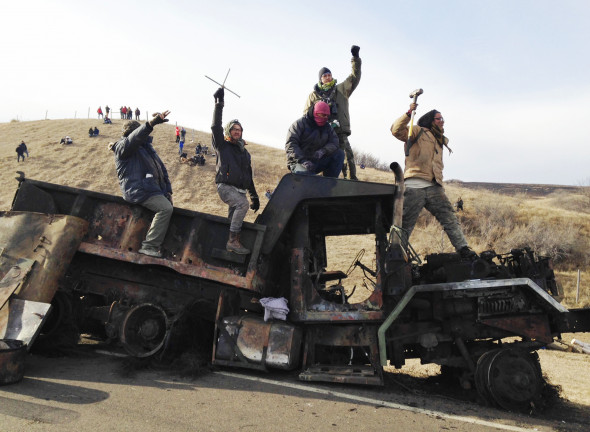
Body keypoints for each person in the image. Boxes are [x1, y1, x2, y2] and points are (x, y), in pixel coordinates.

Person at [390, 102, 475, 259]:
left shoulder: (439, 140)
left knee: (450, 218)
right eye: (438, 118)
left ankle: (463, 249)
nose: (442, 121)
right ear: (430, 120)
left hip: (434, 186)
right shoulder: (417, 131)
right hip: (414, 185)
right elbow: (396, 130)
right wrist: (409, 113)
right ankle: (396, 257)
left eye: (442, 118)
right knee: (405, 225)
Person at [108, 111, 173, 258]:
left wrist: (168, 192)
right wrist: (150, 124)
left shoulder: (147, 149)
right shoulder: (122, 147)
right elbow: (134, 139)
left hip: (149, 189)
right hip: (139, 190)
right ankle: (150, 246)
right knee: (165, 209)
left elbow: (162, 170)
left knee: (167, 206)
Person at [211, 87, 259, 255]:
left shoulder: (245, 153)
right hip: (225, 187)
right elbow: (215, 126)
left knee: (234, 214)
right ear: (228, 132)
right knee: (241, 204)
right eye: (234, 129)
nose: (237, 132)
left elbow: (248, 176)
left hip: (240, 189)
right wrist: (219, 105)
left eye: (239, 130)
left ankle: (227, 249)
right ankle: (233, 241)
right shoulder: (222, 145)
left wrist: (254, 196)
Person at [303, 45, 362, 180]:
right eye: (325, 76)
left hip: (340, 131)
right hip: (322, 134)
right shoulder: (313, 95)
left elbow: (355, 77)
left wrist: (355, 58)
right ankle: (327, 183)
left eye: (329, 75)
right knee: (325, 157)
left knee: (347, 156)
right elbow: (306, 115)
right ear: (320, 79)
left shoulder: (341, 89)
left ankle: (351, 180)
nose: (328, 77)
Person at [286, 101, 344, 177]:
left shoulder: (327, 128)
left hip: (315, 161)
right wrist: (303, 161)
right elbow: (291, 145)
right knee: (309, 179)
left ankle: (330, 184)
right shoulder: (299, 124)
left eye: (327, 116)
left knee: (339, 154)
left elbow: (334, 142)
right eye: (322, 115)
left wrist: (323, 151)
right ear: (315, 113)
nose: (324, 118)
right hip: (298, 162)